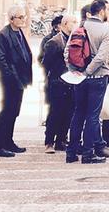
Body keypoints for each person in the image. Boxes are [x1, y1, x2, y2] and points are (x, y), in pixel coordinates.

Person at [65, 0, 109, 164]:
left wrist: (75, 71)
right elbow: (101, 57)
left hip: (79, 78)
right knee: (93, 116)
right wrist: (88, 72)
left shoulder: (80, 26)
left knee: (78, 113)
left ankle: (71, 152)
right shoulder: (106, 30)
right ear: (101, 11)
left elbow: (67, 52)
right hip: (97, 77)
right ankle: (88, 153)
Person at [0, 5, 33, 157]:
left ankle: (8, 142)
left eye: (24, 16)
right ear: (11, 19)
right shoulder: (3, 35)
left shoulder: (19, 32)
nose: (24, 19)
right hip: (11, 81)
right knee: (7, 111)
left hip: (20, 80)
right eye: (20, 17)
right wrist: (11, 78)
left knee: (14, 112)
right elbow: (1, 60)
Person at [41, 14, 76, 153]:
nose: (75, 24)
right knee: (55, 112)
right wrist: (55, 76)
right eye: (73, 22)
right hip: (57, 81)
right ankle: (49, 141)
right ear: (65, 24)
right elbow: (46, 63)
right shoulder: (54, 42)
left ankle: (61, 140)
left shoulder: (74, 39)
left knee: (68, 113)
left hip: (71, 81)